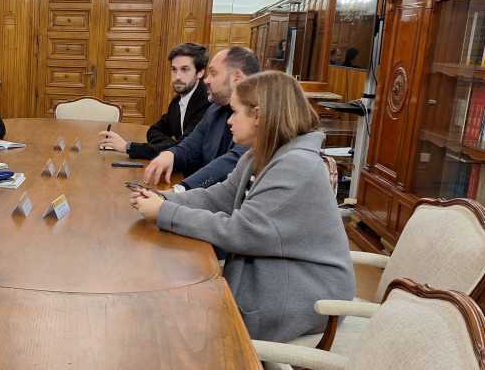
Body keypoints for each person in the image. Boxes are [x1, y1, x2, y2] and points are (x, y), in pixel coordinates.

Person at [130, 71, 356, 343]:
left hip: (304, 296)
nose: (229, 120)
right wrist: (161, 198)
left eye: (235, 112)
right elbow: (217, 198)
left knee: (183, 325)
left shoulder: (296, 166)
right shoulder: (260, 154)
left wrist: (165, 213)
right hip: (272, 275)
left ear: (258, 115)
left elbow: (241, 232)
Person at [143, 46, 262, 190]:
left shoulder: (259, 116)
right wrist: (170, 154)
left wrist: (181, 189)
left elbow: (234, 163)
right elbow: (191, 145)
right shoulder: (215, 108)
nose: (206, 80)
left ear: (237, 78)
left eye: (213, 73)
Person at [99, 42, 211, 159]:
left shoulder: (206, 103)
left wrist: (128, 147)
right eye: (174, 69)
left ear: (200, 73)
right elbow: (153, 131)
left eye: (185, 69)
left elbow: (183, 149)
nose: (177, 76)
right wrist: (172, 145)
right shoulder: (177, 100)